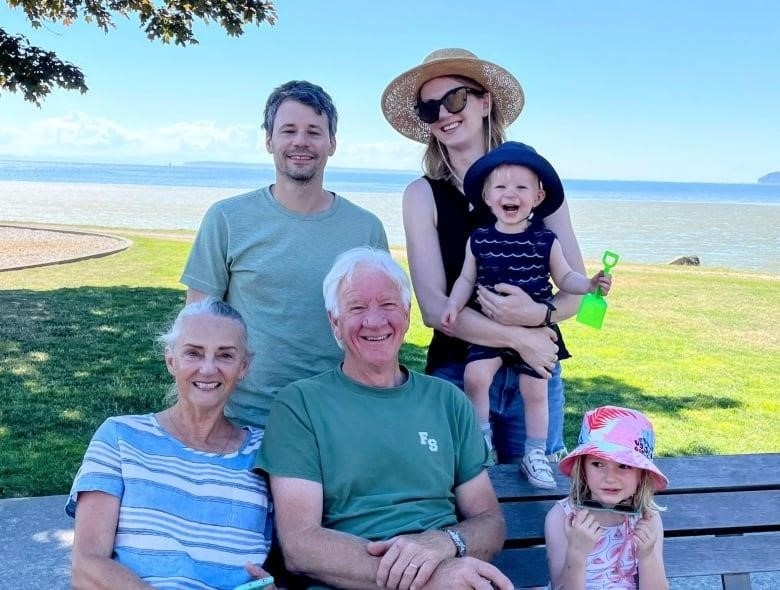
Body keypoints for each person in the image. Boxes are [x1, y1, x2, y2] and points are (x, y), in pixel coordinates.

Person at [255, 247, 512, 590]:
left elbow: (490, 523)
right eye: (357, 308)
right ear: (335, 321)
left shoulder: (447, 401)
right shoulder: (300, 405)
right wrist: (431, 578)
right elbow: (301, 545)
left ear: (406, 315)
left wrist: (445, 542)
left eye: (388, 305)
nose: (374, 321)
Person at [381, 48, 587, 465]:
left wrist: (536, 317)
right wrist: (518, 337)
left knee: (536, 500)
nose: (443, 113)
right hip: (459, 372)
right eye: (428, 107)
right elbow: (436, 309)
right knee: (461, 500)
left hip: (536, 374)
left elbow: (575, 293)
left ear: (484, 102)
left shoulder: (538, 183)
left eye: (454, 98)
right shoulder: (422, 196)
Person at [182, 80, 388, 428]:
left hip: (335, 418)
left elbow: (380, 328)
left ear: (332, 143)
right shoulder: (227, 219)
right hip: (240, 419)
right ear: (269, 141)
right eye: (288, 130)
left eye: (314, 131)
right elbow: (196, 328)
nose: (300, 142)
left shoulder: (366, 230)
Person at [66, 298, 275, 589]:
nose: (208, 368)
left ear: (244, 367)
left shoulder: (266, 452)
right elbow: (86, 565)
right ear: (170, 360)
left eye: (225, 355)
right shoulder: (120, 437)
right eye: (193, 353)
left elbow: (289, 561)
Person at [442, 141, 612, 487]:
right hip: (489, 329)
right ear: (487, 197)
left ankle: (535, 451)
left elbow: (565, 277)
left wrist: (590, 283)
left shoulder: (545, 241)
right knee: (475, 376)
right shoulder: (479, 239)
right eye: (501, 186)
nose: (511, 193)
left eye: (521, 187)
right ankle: (482, 436)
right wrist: (452, 305)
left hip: (536, 334)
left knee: (536, 389)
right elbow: (465, 278)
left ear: (537, 197)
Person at [544, 406, 669, 589]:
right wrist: (576, 553)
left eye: (624, 466)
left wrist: (647, 555)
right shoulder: (562, 517)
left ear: (642, 475)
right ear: (583, 468)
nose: (610, 478)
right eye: (598, 464)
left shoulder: (647, 519)